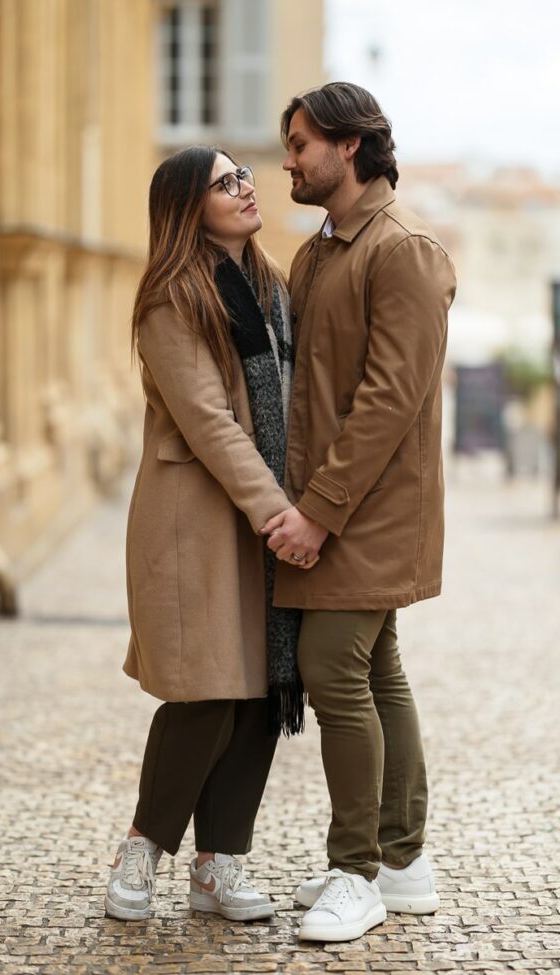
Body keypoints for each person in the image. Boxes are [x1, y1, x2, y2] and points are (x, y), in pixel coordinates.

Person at [259, 82, 457, 942]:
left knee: (334, 669)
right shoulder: (319, 253)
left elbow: (389, 400)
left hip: (370, 508)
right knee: (377, 673)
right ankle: (403, 862)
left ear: (350, 147)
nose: (289, 160)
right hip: (335, 502)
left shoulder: (403, 249)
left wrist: (319, 511)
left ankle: (358, 872)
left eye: (301, 143)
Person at [105, 146, 312, 925]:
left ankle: (218, 865)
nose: (246, 187)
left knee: (261, 692)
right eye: (225, 183)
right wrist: (278, 512)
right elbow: (211, 423)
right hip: (197, 517)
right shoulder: (171, 297)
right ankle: (141, 847)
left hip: (262, 516)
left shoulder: (271, 286)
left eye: (243, 176)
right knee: (204, 693)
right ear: (189, 208)